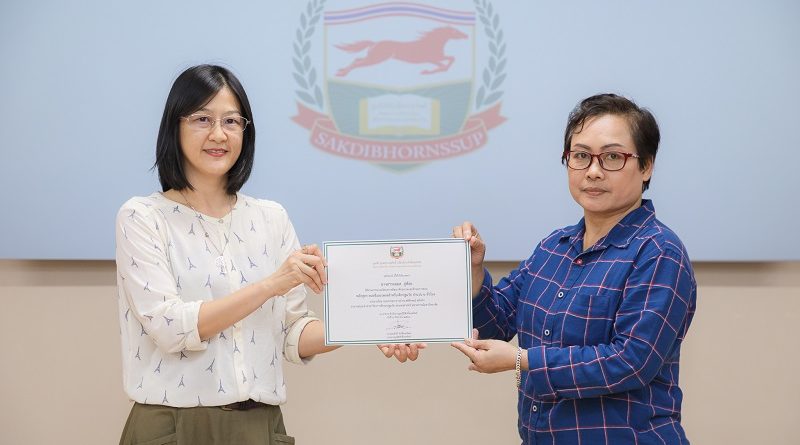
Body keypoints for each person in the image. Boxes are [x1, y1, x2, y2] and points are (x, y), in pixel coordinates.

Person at [116, 64, 420, 445]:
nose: (218, 134)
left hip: (260, 425)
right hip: (174, 426)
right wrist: (272, 284)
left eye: (231, 121)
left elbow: (293, 333)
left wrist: (374, 323)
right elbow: (170, 326)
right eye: (202, 119)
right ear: (174, 127)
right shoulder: (142, 217)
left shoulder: (270, 218)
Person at [451, 93, 697, 444]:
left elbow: (630, 361)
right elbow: (496, 325)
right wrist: (475, 271)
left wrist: (524, 360)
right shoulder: (554, 246)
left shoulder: (658, 251)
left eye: (612, 157)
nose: (593, 171)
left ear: (646, 166)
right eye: (581, 156)